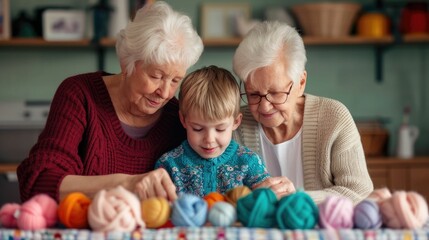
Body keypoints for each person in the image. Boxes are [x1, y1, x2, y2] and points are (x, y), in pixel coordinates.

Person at [17, 1, 203, 203]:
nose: (165, 93)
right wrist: (125, 184)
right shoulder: (80, 96)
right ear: (126, 63)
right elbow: (37, 183)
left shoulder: (180, 119)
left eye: (175, 80)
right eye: (156, 76)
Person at [232, 21, 373, 204]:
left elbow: (359, 192)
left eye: (275, 93)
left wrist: (299, 199)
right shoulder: (234, 125)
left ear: (301, 82)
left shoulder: (334, 118)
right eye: (253, 94)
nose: (264, 107)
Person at [155, 66, 270, 198]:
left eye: (220, 129)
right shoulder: (169, 165)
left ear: (236, 122)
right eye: (198, 129)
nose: (209, 139)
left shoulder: (249, 163)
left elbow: (266, 205)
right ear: (183, 120)